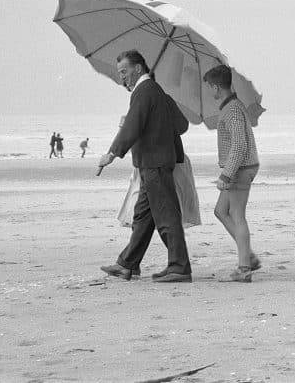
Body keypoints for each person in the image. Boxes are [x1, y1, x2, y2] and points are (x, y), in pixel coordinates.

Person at [98, 50, 192, 283]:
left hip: (154, 163)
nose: (122, 77)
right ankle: (127, 264)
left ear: (138, 68)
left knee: (167, 215)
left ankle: (179, 267)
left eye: (124, 71)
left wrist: (111, 153)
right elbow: (181, 125)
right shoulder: (156, 93)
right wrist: (156, 122)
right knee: (143, 217)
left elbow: (133, 127)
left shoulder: (145, 91)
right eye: (120, 73)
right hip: (152, 163)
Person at [203, 65, 261, 283]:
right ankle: (249, 256)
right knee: (220, 211)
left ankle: (244, 267)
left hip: (240, 169)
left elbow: (239, 145)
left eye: (210, 87)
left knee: (237, 215)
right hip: (240, 168)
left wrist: (226, 175)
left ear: (216, 88)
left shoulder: (233, 110)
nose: (210, 92)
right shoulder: (230, 107)